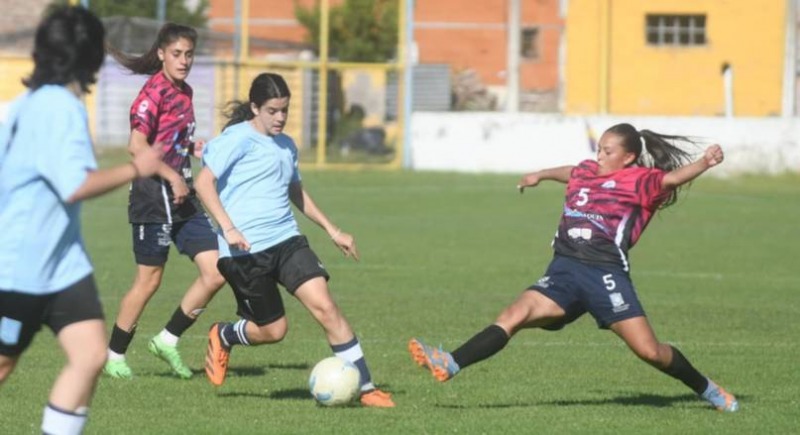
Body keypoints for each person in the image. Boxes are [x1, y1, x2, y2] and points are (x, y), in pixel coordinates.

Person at [408, 123, 739, 412]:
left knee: (650, 352)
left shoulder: (641, 181)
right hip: (563, 270)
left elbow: (672, 178)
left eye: (607, 151)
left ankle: (709, 390)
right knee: (513, 315)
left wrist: (704, 163)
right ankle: (450, 362)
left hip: (604, 275)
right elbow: (570, 171)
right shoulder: (585, 171)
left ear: (627, 157)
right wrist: (540, 174)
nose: (599, 156)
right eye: (598, 149)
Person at [0, 6, 161, 435]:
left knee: (90, 354)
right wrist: (136, 168)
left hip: (63, 264)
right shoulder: (59, 107)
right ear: (88, 56)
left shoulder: (25, 105)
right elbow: (74, 185)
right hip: (21, 267)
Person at [195, 73, 395, 408]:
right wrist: (228, 228)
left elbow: (296, 192)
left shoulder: (287, 145)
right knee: (274, 331)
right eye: (273, 110)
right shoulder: (237, 139)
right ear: (255, 107)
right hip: (244, 252)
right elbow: (204, 183)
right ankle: (224, 334)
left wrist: (333, 230)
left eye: (285, 110)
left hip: (287, 240)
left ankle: (367, 387)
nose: (281, 117)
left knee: (326, 307)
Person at [103, 22, 226, 380]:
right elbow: (136, 146)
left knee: (217, 270)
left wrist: (192, 148)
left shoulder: (184, 92)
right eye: (177, 54)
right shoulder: (151, 94)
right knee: (149, 280)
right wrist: (172, 175)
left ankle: (167, 339)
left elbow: (170, 141)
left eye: (189, 54)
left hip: (182, 195)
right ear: (161, 53)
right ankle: (114, 354)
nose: (184, 60)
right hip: (153, 197)